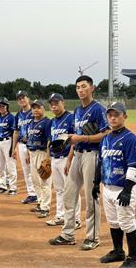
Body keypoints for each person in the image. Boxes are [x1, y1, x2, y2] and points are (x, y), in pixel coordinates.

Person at [49, 75, 109, 250]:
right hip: (77, 155)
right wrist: (69, 157)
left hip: (92, 155)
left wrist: (84, 137)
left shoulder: (99, 109)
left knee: (91, 198)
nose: (80, 90)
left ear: (92, 88)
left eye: (84, 86)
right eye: (78, 87)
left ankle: (93, 237)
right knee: (69, 194)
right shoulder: (77, 111)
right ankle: (68, 234)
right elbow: (75, 137)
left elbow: (106, 133)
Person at [93, 102, 136, 267]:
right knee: (113, 222)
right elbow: (100, 162)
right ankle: (118, 251)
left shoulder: (131, 139)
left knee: (127, 222)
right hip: (107, 187)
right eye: (110, 115)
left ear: (124, 116)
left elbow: (133, 166)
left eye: (117, 115)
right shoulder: (106, 138)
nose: (113, 118)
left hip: (123, 188)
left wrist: (128, 190)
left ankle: (133, 258)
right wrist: (95, 183)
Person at [45, 93, 81, 229]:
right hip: (55, 159)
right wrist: (49, 157)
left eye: (56, 103)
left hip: (67, 158)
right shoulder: (53, 121)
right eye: (51, 104)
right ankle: (60, 216)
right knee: (59, 190)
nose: (54, 106)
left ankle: (76, 219)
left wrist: (69, 160)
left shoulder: (71, 118)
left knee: (72, 190)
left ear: (63, 103)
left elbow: (74, 141)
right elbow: (51, 141)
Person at [25, 99, 52, 218]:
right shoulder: (30, 122)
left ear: (43, 109)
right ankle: (40, 202)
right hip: (32, 152)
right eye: (33, 107)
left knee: (44, 181)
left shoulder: (47, 122)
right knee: (35, 180)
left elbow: (49, 140)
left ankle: (45, 208)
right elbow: (29, 138)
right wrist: (27, 153)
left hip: (42, 153)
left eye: (38, 107)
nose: (35, 110)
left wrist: (47, 156)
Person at [12, 90, 37, 204]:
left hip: (33, 145)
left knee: (35, 171)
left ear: (28, 99)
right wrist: (13, 148)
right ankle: (32, 194)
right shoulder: (18, 115)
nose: (22, 100)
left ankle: (39, 194)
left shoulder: (34, 112)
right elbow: (16, 132)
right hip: (22, 145)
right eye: (19, 98)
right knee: (26, 171)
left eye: (23, 97)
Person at [0, 97, 17, 195]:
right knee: (0, 165)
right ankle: (3, 185)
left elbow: (13, 132)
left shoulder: (11, 117)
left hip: (8, 141)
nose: (1, 107)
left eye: (3, 106)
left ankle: (13, 187)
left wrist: (13, 147)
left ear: (7, 106)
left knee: (10, 165)